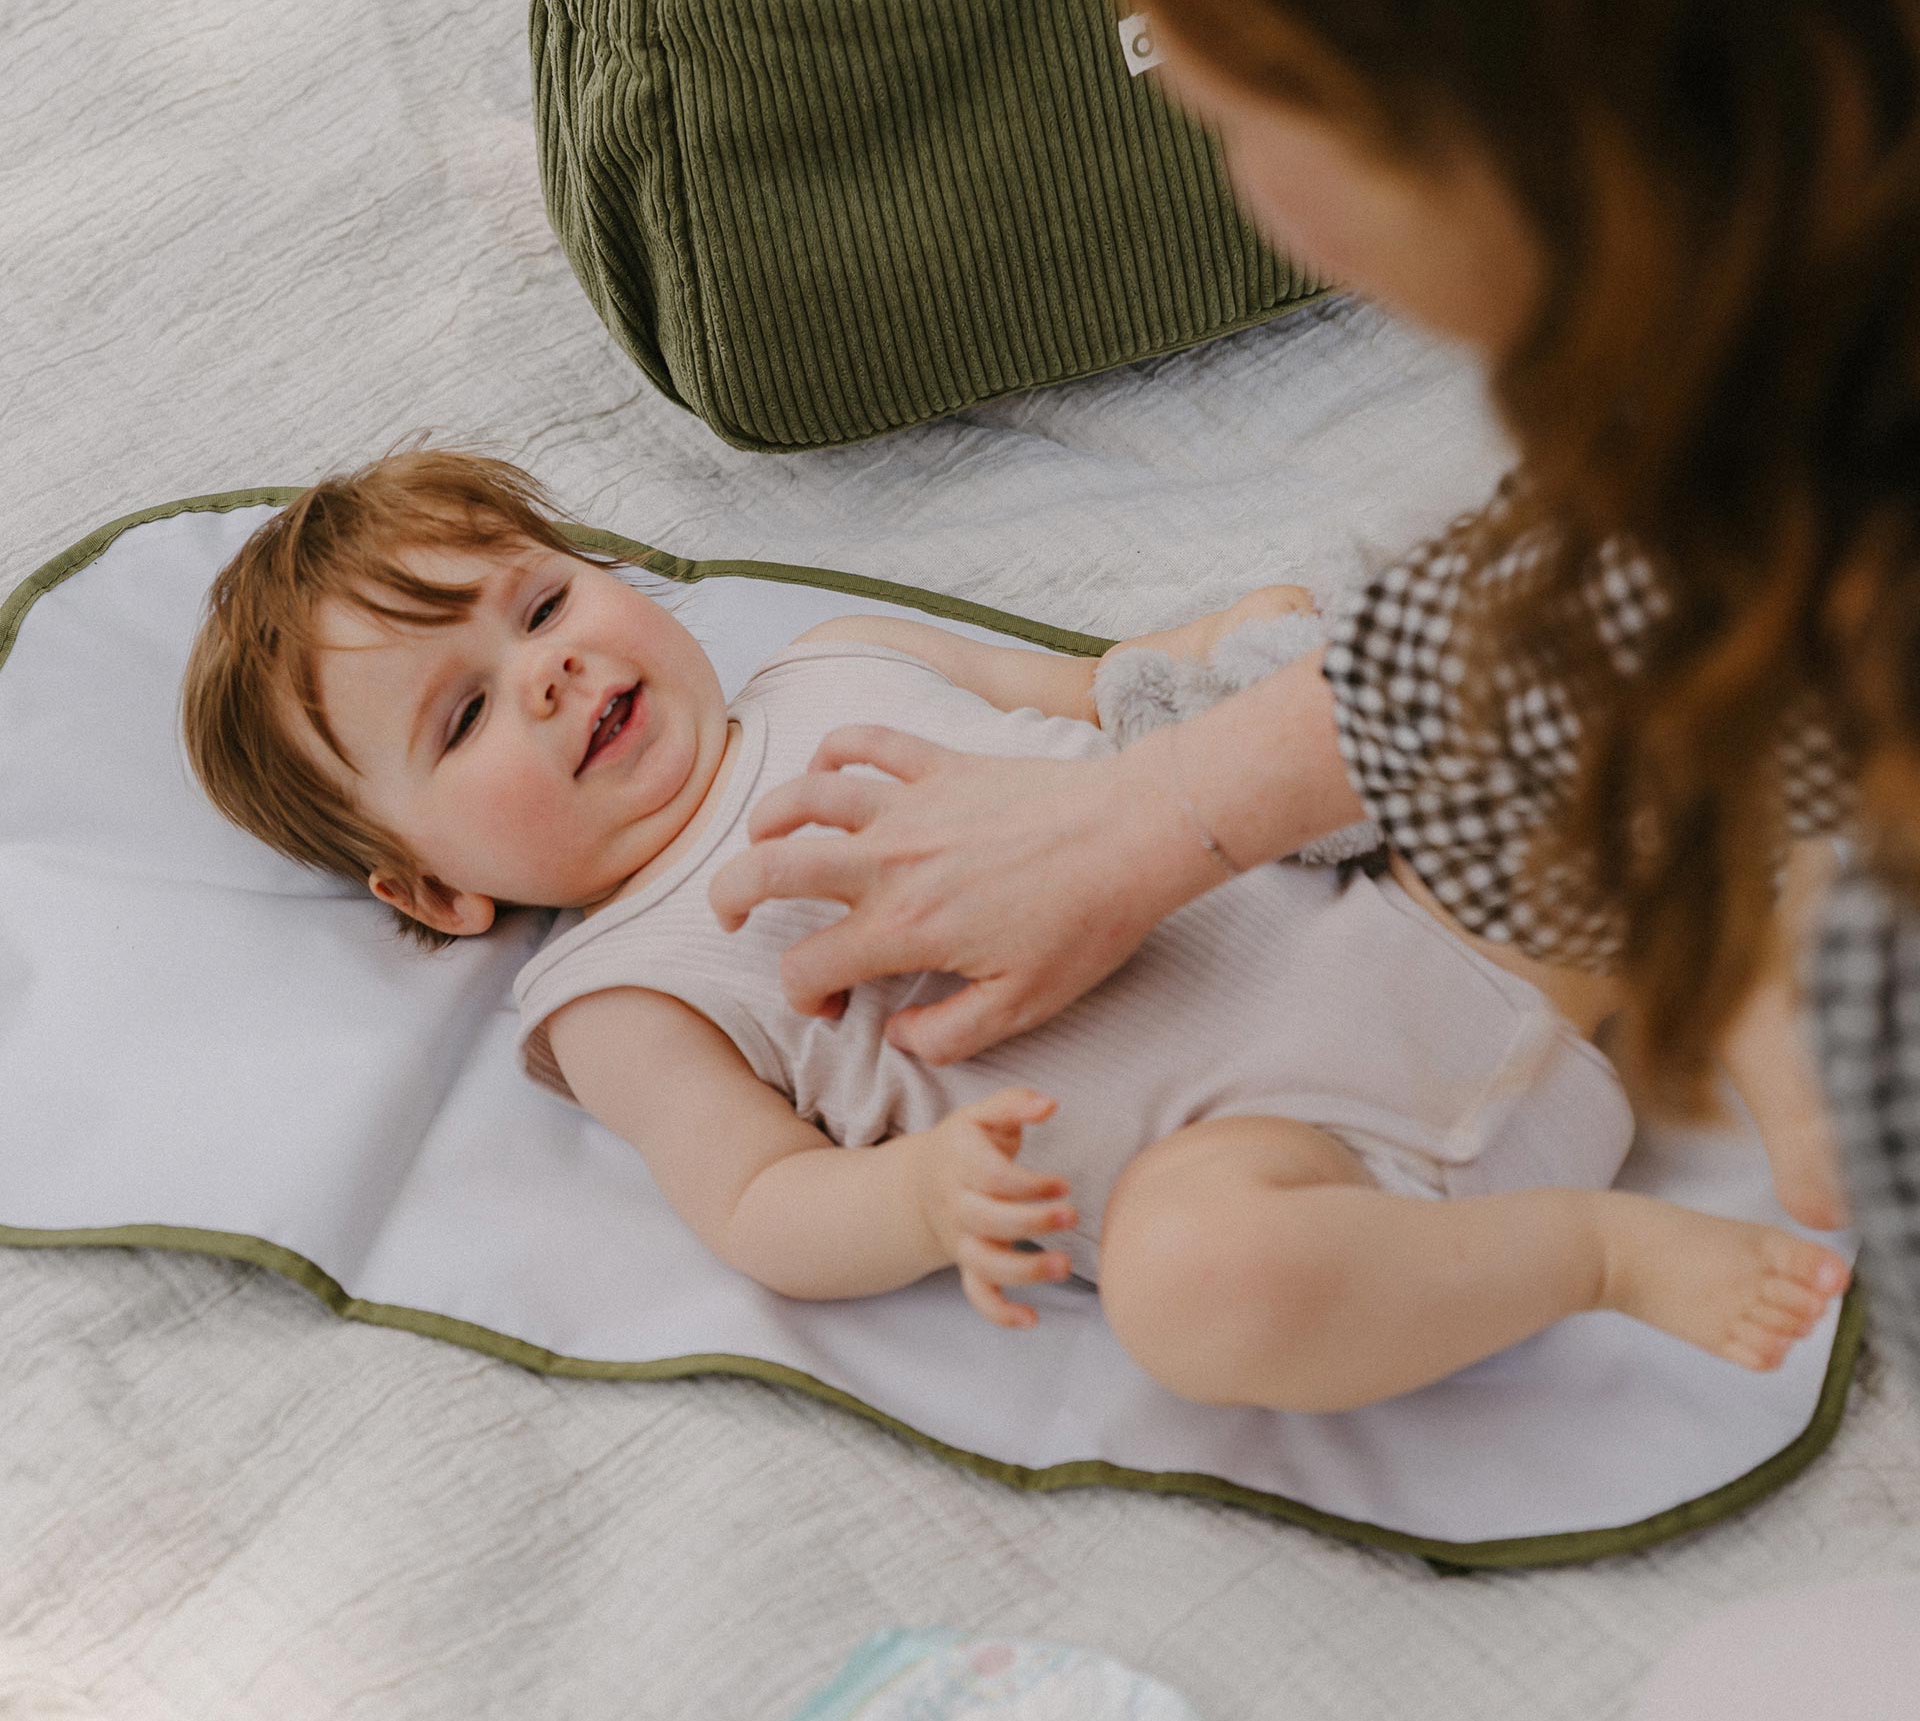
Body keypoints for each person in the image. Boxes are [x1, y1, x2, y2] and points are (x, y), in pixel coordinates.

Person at [697, 0, 1920, 1721]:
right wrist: (1153, 800)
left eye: (1187, 58)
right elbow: (1602, 582)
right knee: (1205, 1271)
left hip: (1499, 1011)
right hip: (1319, 1074)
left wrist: (1141, 755)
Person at [178, 448, 1848, 1410]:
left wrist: (1221, 647)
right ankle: (1603, 1256)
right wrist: (913, 1194)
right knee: (1192, 1294)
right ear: (435, 890)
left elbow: (1108, 694)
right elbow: (757, 1200)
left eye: (542, 601)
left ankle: (1774, 1027)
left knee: (1581, 743)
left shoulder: (832, 658)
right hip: (1297, 1169)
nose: (542, 666)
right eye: (463, 718)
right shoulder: (616, 987)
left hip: (1418, 911)